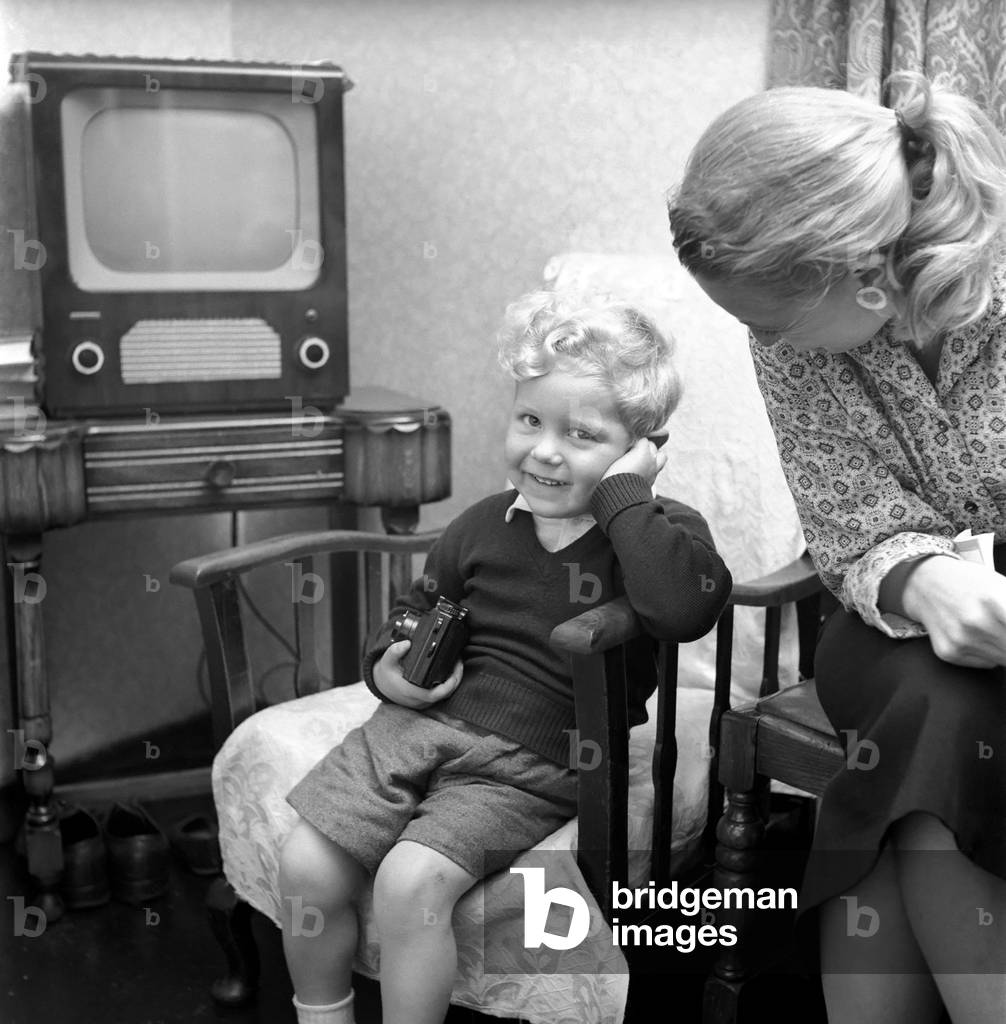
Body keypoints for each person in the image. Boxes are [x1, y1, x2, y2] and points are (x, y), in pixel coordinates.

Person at [276, 290, 732, 1024]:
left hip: (532, 759)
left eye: (580, 434)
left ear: (642, 452)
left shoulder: (657, 533)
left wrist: (624, 500)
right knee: (304, 863)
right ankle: (320, 1012)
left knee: (409, 883)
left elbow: (682, 609)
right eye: (530, 420)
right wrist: (387, 663)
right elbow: (416, 607)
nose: (544, 450)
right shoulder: (482, 524)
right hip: (411, 727)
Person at [667, 70, 1006, 1023]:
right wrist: (920, 582)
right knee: (932, 698)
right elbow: (845, 523)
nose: (761, 342)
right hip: (875, 617)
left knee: (923, 747)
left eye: (769, 320)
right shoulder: (790, 339)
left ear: (863, 271)